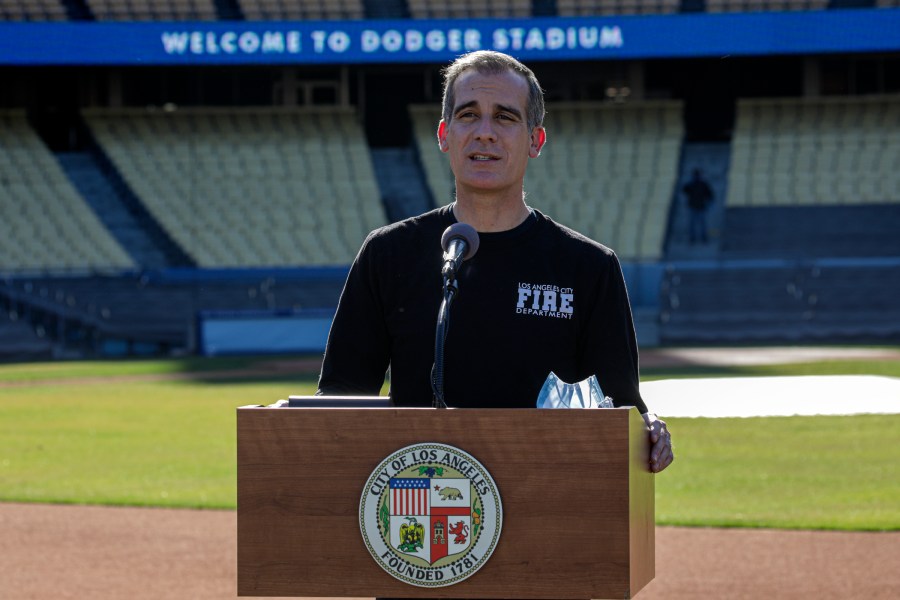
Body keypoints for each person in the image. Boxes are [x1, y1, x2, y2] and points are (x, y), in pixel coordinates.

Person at [317, 50, 673, 474]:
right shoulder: (387, 254)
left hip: (544, 505)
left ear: (535, 141)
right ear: (445, 134)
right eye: (469, 115)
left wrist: (647, 427)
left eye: (505, 117)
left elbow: (618, 411)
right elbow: (338, 403)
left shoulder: (588, 267)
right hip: (417, 509)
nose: (484, 133)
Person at [682, 168, 714, 244]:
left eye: (697, 175)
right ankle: (692, 238)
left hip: (701, 207)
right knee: (692, 224)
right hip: (693, 206)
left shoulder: (703, 184)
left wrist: (707, 203)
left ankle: (703, 238)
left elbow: (710, 195)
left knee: (702, 224)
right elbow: (684, 190)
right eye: (695, 175)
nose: (696, 177)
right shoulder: (690, 184)